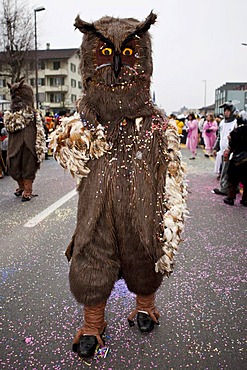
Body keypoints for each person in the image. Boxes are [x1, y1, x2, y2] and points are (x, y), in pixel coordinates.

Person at [51, 12, 187, 359]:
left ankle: (144, 305)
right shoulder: (84, 115)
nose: (114, 64)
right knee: (91, 257)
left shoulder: (155, 120)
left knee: (144, 255)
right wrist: (72, 138)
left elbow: (173, 173)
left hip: (142, 208)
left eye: (126, 54)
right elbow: (69, 153)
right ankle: (93, 323)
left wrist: (171, 212)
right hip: (96, 208)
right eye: (105, 53)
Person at [4, 79, 46, 201]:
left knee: (28, 165)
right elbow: (9, 126)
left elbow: (39, 130)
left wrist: (38, 145)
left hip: (29, 143)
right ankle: (21, 186)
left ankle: (28, 189)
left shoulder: (32, 115)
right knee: (13, 166)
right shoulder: (10, 117)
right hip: (15, 144)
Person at [223, 110, 247, 206]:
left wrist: (227, 155)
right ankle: (245, 200)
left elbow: (231, 146)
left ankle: (231, 198)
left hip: (237, 159)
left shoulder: (235, 132)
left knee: (232, 180)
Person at [212, 102, 237, 195]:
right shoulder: (222, 123)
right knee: (224, 169)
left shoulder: (235, 123)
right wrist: (216, 148)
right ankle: (228, 187)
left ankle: (224, 188)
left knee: (227, 171)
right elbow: (219, 136)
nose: (226, 112)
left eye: (228, 110)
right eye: (225, 110)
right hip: (223, 150)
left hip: (231, 151)